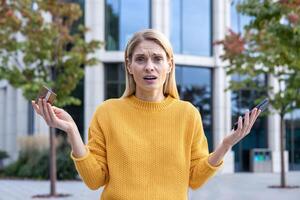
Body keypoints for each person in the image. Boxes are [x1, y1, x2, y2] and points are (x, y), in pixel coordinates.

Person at [32, 29, 261, 200]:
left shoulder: (188, 114)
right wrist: (72, 131)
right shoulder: (107, 112)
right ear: (129, 66)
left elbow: (196, 179)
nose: (149, 66)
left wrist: (225, 145)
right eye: (140, 59)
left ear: (170, 65)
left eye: (157, 59)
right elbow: (94, 181)